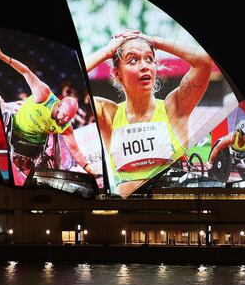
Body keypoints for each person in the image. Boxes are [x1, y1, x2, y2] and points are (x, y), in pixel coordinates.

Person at [84, 30, 213, 192]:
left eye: (149, 59)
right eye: (133, 60)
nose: (144, 66)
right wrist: (108, 52)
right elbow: (70, 82)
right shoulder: (108, 114)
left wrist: (154, 41)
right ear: (117, 74)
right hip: (126, 213)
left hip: (173, 211)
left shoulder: (174, 108)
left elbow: (204, 61)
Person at [0, 45, 98, 181]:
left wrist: (88, 168)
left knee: (53, 148)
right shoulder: (44, 93)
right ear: (58, 104)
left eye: (68, 119)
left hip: (35, 145)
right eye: (64, 115)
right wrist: (3, 57)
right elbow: (25, 71)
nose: (64, 120)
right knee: (3, 107)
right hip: (16, 127)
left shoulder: (65, 126)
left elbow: (75, 150)